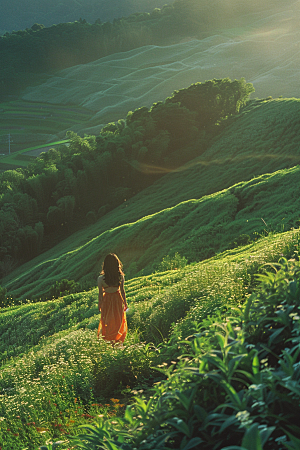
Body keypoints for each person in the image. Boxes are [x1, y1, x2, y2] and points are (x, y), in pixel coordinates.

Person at [97, 253, 128, 343]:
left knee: (107, 321)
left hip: (106, 300)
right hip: (117, 299)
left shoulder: (100, 279)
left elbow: (100, 294)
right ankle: (117, 340)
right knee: (118, 320)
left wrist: (100, 305)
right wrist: (125, 303)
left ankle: (109, 341)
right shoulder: (120, 277)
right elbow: (122, 291)